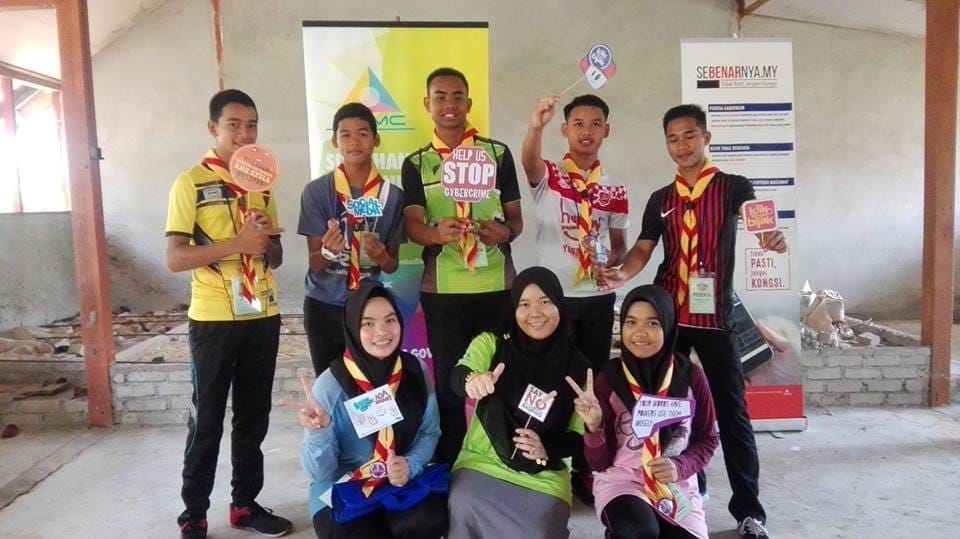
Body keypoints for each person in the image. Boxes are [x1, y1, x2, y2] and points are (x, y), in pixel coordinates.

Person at [601, 104, 787, 539]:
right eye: (673, 138)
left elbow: (759, 221)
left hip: (715, 317)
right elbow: (643, 248)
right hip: (669, 320)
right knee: (665, 407)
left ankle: (749, 511)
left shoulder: (732, 186)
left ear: (706, 138)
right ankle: (684, 485)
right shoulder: (661, 199)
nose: (681, 145)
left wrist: (771, 237)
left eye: (689, 135)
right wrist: (623, 274)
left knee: (731, 412)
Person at [165, 89, 291, 538]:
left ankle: (244, 505)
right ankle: (194, 513)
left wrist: (266, 242)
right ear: (213, 128)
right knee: (207, 419)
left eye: (251, 125)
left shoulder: (263, 183)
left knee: (253, 418)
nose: (244, 133)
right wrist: (237, 244)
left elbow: (276, 257)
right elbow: (175, 258)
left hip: (261, 314)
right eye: (234, 124)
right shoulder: (190, 182)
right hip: (214, 319)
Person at [401, 67, 523, 463]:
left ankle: (503, 459)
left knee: (501, 374)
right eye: (440, 96)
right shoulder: (417, 163)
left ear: (469, 103)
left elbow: (516, 221)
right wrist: (436, 234)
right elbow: (413, 227)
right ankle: (453, 461)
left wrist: (503, 233)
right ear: (427, 104)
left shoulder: (498, 154)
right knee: (452, 381)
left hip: (496, 285)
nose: (449, 104)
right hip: (444, 290)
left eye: (457, 96)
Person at [521, 93, 630, 502]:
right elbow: (529, 160)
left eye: (596, 124)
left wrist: (612, 260)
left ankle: (587, 465)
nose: (587, 131)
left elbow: (619, 244)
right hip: (555, 301)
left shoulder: (614, 188)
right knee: (548, 379)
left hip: (597, 298)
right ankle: (543, 459)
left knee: (592, 384)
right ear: (565, 130)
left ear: (607, 131)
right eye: (578, 124)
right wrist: (536, 125)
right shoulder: (550, 175)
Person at [446, 267, 589, 539]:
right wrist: (473, 380)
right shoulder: (493, 344)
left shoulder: (579, 369)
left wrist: (546, 447)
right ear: (513, 308)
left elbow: (577, 438)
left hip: (544, 474)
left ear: (560, 304)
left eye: (545, 301)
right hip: (483, 460)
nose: (535, 313)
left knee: (540, 528)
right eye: (524, 304)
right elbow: (459, 374)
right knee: (463, 502)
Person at [571, 285, 718, 538]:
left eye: (652, 323)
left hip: (675, 485)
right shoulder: (609, 379)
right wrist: (594, 427)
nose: (640, 332)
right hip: (622, 484)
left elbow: (708, 439)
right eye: (631, 322)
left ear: (668, 326)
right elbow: (599, 463)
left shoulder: (691, 376)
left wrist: (681, 466)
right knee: (638, 531)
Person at [300, 283, 445, 538]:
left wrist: (410, 465)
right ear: (352, 328)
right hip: (346, 485)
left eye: (390, 320)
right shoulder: (330, 386)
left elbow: (429, 432)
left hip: (400, 479)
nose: (382, 331)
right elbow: (319, 473)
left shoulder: (415, 371)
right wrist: (319, 433)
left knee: (429, 519)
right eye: (368, 323)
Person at [298, 102, 406, 375]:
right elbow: (315, 264)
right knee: (329, 381)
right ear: (335, 141)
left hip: (368, 307)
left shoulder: (392, 196)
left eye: (362, 133)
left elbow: (392, 265)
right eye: (345, 134)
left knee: (370, 383)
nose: (354, 141)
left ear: (375, 139)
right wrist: (328, 253)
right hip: (323, 304)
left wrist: (381, 256)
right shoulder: (316, 192)